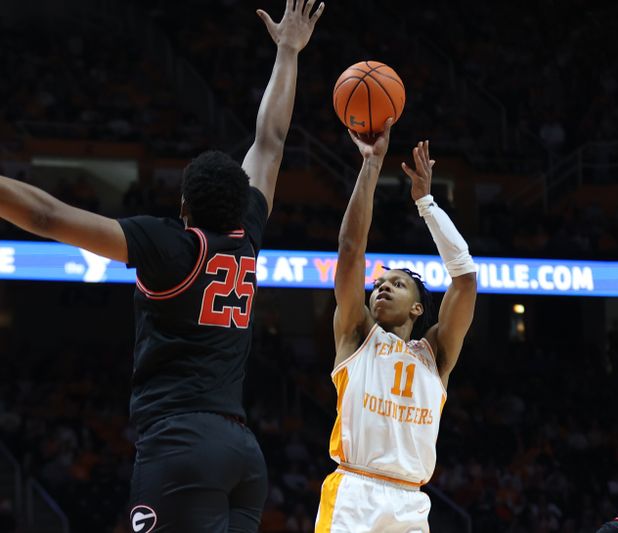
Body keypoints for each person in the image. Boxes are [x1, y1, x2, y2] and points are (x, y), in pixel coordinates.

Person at [0, 1, 324, 531]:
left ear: (184, 207)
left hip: (181, 445)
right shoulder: (248, 235)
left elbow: (46, 213)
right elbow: (271, 141)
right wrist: (288, 52)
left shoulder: (170, 246)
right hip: (242, 451)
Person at [314, 121, 478, 532]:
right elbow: (351, 249)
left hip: (409, 502)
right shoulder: (356, 335)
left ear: (419, 309)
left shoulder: (435, 355)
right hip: (354, 491)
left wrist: (427, 204)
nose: (382, 288)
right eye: (378, 284)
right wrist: (372, 165)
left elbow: (465, 278)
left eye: (397, 284)